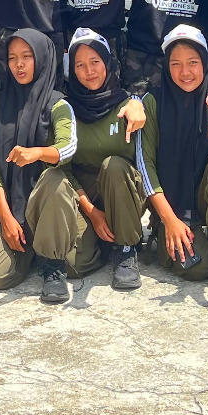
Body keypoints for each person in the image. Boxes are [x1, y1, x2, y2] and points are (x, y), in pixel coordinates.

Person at [136, 24, 208, 301]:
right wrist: (169, 220)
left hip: (206, 198)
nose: (185, 72)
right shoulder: (152, 103)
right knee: (198, 268)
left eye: (193, 63)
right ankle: (168, 237)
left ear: (205, 63)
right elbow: (145, 167)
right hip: (172, 207)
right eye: (176, 64)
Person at [0, 29, 81, 303]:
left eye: (27, 57)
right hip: (8, 203)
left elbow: (68, 147)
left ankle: (52, 265)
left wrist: (38, 153)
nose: (19, 64)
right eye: (12, 58)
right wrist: (5, 218)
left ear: (42, 59)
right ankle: (28, 250)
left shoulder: (58, 104)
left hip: (47, 209)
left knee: (54, 179)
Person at [59, 29, 148, 291]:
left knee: (114, 165)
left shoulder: (129, 107)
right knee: (74, 264)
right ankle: (103, 238)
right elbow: (64, 169)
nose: (89, 71)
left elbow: (145, 163)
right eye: (80, 65)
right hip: (86, 195)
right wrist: (93, 214)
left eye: (95, 62)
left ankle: (126, 247)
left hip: (124, 190)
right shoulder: (67, 109)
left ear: (108, 63)